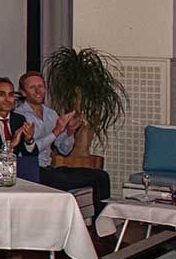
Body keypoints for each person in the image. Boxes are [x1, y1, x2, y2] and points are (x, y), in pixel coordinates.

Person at [15, 71, 111, 206]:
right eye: (32, 87)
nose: (38, 91)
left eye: (40, 86)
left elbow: (64, 150)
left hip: (48, 167)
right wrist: (57, 131)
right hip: (29, 170)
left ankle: (102, 219)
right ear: (23, 92)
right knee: (60, 179)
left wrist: (70, 132)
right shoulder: (19, 115)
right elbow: (31, 149)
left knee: (101, 176)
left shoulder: (51, 113)